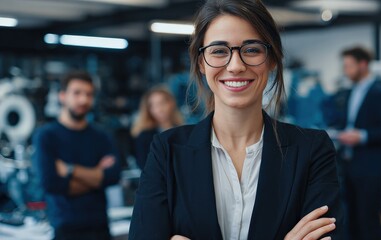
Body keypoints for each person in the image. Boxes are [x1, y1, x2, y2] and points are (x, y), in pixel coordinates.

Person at [129, 0, 343, 239]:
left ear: (272, 59)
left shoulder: (312, 150)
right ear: (201, 62)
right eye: (219, 51)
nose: (236, 65)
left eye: (251, 49)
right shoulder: (166, 151)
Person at [33, 71, 121, 240]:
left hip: (100, 229)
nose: (83, 100)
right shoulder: (46, 136)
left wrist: (70, 170)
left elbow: (113, 177)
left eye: (88, 94)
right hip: (65, 229)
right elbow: (50, 183)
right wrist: (96, 176)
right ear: (62, 96)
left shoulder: (101, 136)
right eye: (77, 93)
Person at [337, 47, 381, 240]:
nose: (345, 70)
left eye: (349, 66)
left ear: (363, 64)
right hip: (350, 165)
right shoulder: (351, 92)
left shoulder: (379, 92)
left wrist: (362, 136)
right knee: (352, 220)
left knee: (368, 221)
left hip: (371, 168)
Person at [130, 87, 183, 169]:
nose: (159, 109)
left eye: (162, 103)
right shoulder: (144, 136)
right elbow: (143, 165)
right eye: (153, 106)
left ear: (171, 103)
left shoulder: (182, 131)